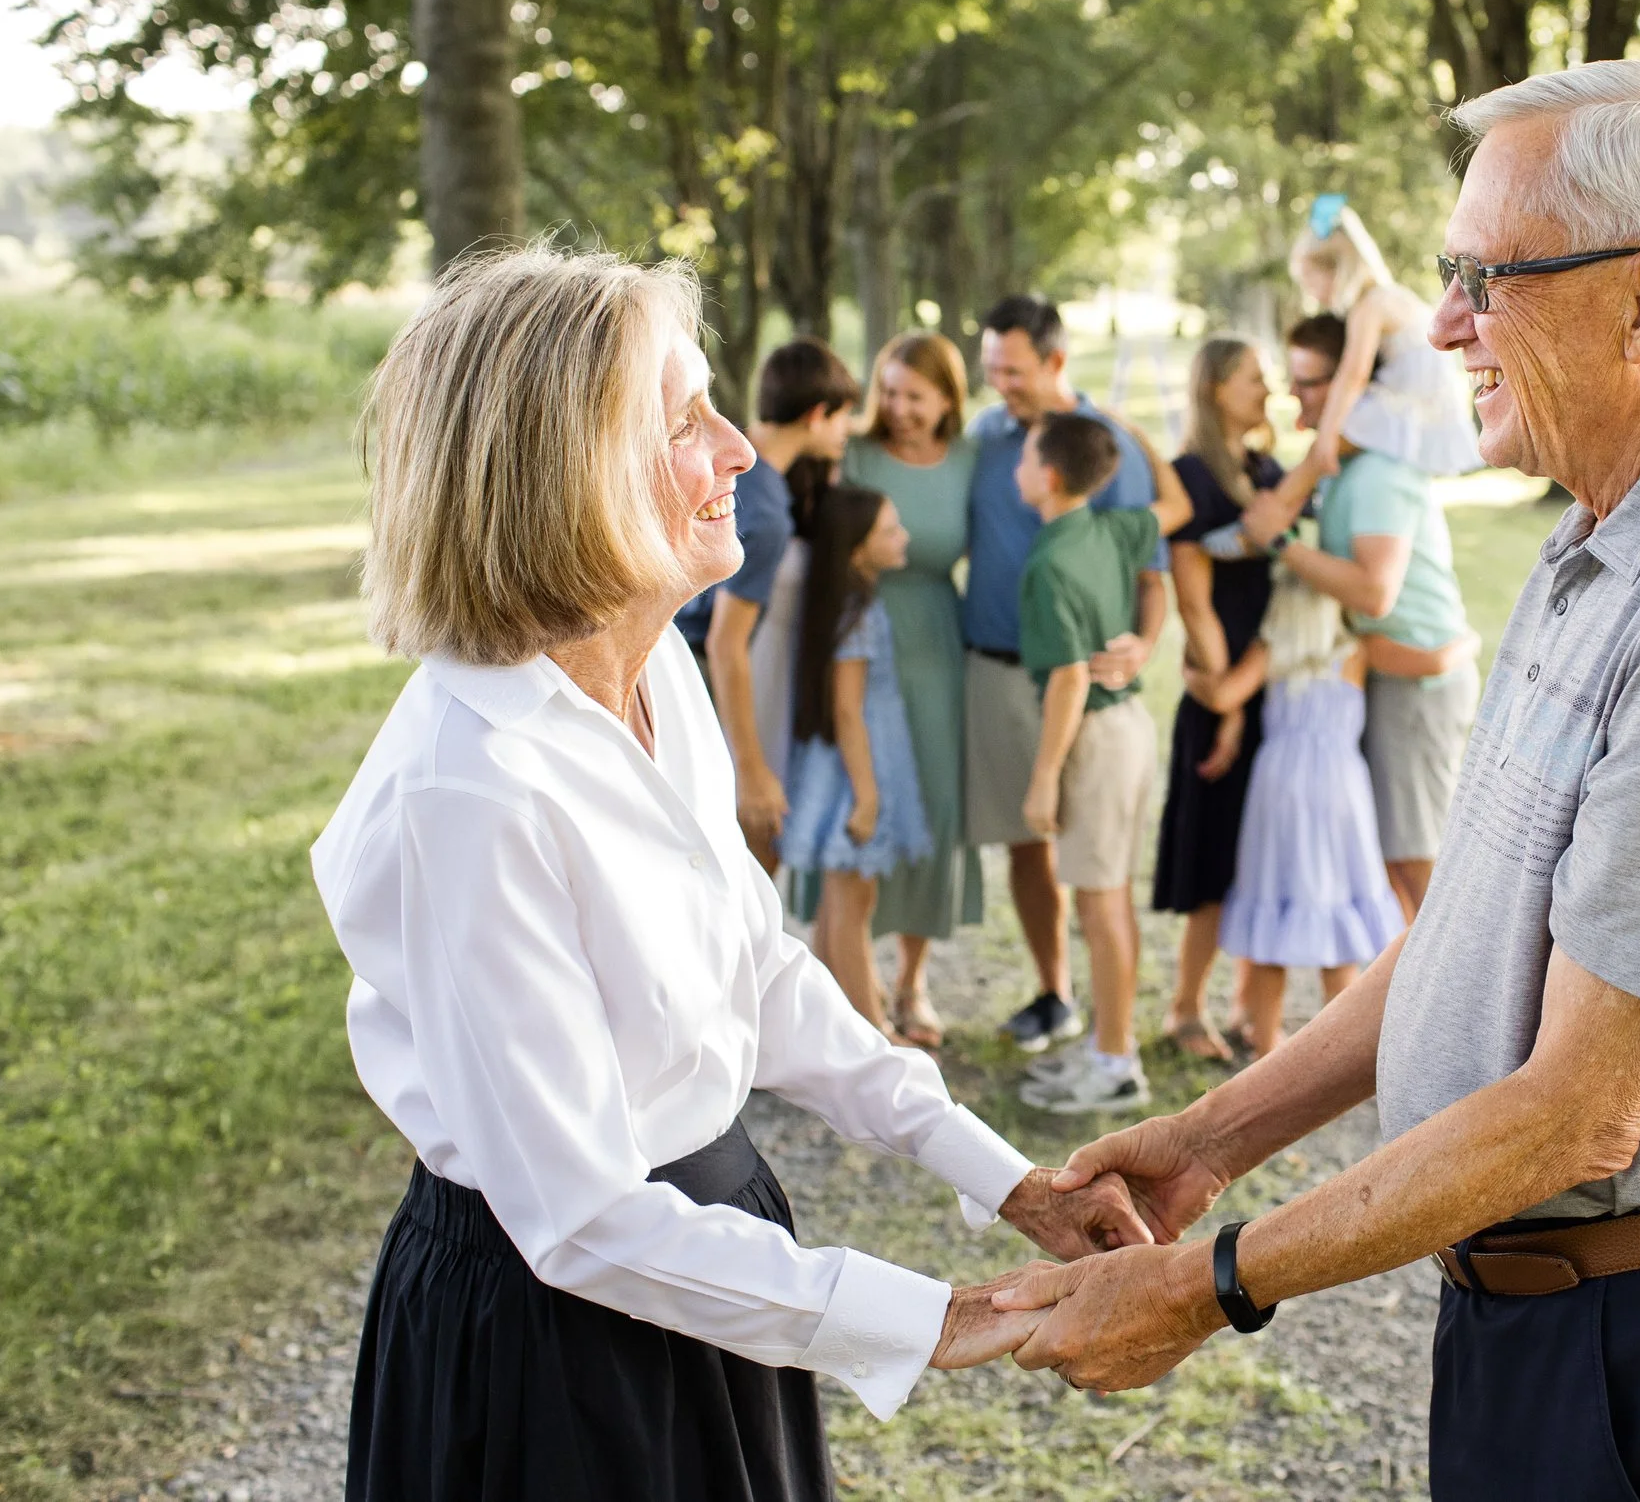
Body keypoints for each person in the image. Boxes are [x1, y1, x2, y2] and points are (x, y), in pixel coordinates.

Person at [992, 62, 1640, 1502]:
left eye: (1488, 276)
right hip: (1546, 1303)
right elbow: (1468, 933)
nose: (1440, 323)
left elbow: (1578, 1111)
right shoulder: (1601, 529)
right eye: (1447, 273)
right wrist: (1206, 1139)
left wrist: (1211, 1283)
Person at [316, 245, 1149, 1502]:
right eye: (681, 419)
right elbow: (583, 1220)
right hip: (556, 1336)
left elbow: (757, 971)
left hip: (716, 1245)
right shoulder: (467, 789)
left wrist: (1011, 1177)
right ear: (557, 474)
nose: (739, 450)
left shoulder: (655, 670)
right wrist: (940, 1317)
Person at [961, 295, 1177, 1055]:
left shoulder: (1100, 444)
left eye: (1012, 371)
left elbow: (1152, 568)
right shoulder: (986, 437)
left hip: (1076, 684)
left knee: (1091, 870)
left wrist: (1146, 645)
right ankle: (1055, 993)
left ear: (1055, 362)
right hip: (995, 670)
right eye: (990, 371)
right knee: (1025, 841)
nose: (1000, 387)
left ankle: (1112, 1042)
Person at [1243, 312, 1476, 919]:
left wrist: (1281, 543)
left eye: (1310, 382)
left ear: (1354, 383)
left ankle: (1467, 1006)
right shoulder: (1348, 463)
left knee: (1415, 859)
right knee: (1392, 862)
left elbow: (1375, 592)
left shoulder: (1379, 471)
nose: (1296, 395)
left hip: (1415, 679)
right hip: (1388, 672)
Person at [1012, 411, 1191, 1114]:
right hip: (1129, 730)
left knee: (1100, 902)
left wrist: (1042, 778)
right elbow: (1177, 505)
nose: (1018, 467)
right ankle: (1105, 1049)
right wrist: (1141, 437)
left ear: (1049, 477)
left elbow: (1067, 679)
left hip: (1095, 738)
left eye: (1026, 457)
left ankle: (1116, 1063)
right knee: (1105, 897)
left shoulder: (1052, 559)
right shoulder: (1111, 528)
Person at [1183, 570, 1400, 1060]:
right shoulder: (1356, 653)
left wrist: (1193, 678)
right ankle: (1344, 1056)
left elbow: (1223, 696)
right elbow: (1424, 659)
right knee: (1337, 915)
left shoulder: (1271, 649)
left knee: (1272, 912)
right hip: (1340, 785)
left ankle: (1268, 1046)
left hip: (1281, 784)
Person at [842, 332, 982, 1047]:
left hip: (936, 638)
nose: (897, 408)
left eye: (914, 396)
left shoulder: (968, 460)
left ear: (948, 400)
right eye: (888, 390)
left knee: (931, 799)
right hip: (859, 632)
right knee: (867, 800)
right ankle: (856, 987)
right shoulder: (855, 453)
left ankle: (911, 981)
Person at [674, 338, 859, 868]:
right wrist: (752, 771)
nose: (847, 433)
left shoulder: (721, 461)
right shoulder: (769, 513)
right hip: (703, 680)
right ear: (818, 415)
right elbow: (726, 643)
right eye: (844, 419)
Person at [1151, 337, 1284, 1063]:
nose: (1267, 388)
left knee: (1254, 855)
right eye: (1253, 378)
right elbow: (1194, 603)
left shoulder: (1269, 472)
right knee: (1209, 867)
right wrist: (1227, 700)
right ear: (1215, 389)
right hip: (1217, 684)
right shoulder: (1189, 478)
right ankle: (1184, 1007)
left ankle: (1242, 1007)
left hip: (1265, 685)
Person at [776, 486, 935, 1034]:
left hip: (863, 759)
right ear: (857, 549)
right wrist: (867, 796)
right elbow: (847, 711)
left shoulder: (851, 601)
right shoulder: (856, 613)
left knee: (841, 904)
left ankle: (829, 1027)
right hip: (855, 770)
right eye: (890, 531)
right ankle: (873, 1033)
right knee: (851, 906)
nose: (904, 536)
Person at [1287, 193, 1483, 481]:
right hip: (1413, 401)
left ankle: (1277, 507)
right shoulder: (1386, 296)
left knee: (1322, 447)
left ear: (1337, 270)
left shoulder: (1370, 305)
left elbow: (1353, 374)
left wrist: (1328, 435)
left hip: (1410, 406)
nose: (1311, 293)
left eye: (1309, 280)